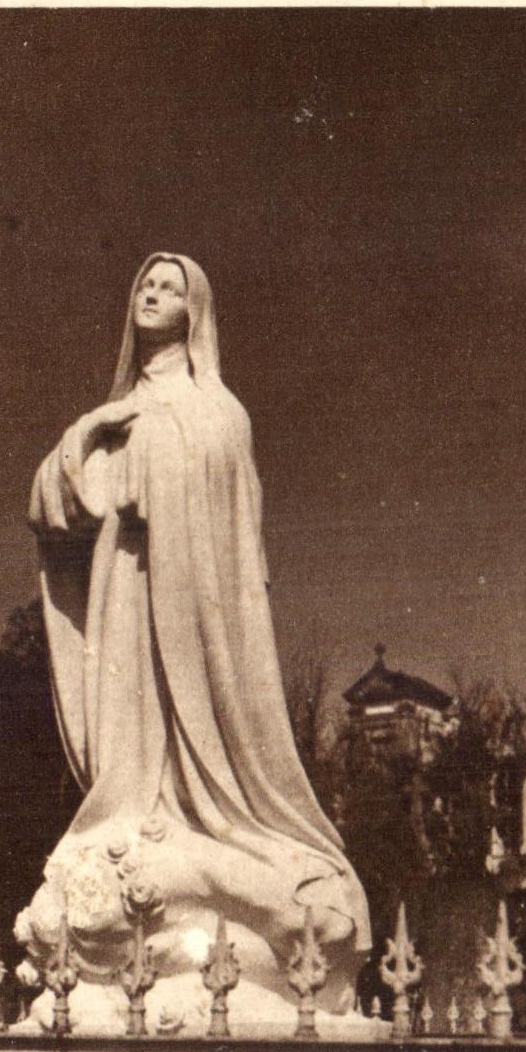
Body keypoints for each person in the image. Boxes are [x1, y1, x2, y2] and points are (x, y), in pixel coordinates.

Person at [24, 253, 370, 1010]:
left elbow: (239, 542)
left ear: (194, 310)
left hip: (200, 610)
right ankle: (144, 815)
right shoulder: (114, 416)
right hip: (126, 597)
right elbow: (53, 510)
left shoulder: (221, 411)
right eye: (143, 285)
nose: (151, 294)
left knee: (206, 724)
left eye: (168, 287)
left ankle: (206, 829)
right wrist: (87, 431)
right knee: (129, 723)